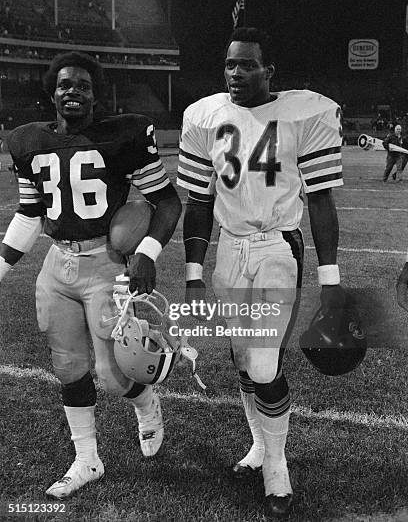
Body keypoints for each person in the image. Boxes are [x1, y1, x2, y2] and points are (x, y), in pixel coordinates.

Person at [177, 27, 345, 519]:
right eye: (230, 64)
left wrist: (331, 283)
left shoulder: (303, 112)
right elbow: (199, 201)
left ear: (269, 70)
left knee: (265, 365)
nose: (235, 73)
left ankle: (277, 467)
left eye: (247, 64)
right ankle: (257, 446)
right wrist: (193, 272)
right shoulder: (205, 116)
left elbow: (321, 200)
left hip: (276, 247)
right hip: (230, 249)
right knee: (242, 359)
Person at [0, 51, 181, 498]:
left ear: (96, 94)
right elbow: (29, 215)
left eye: (82, 85)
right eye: (65, 85)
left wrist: (148, 253)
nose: (73, 92)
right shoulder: (28, 141)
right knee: (68, 368)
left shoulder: (123, 136)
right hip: (56, 266)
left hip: (106, 265)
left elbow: (168, 201)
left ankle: (145, 404)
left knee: (115, 373)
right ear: (52, 92)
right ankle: (87, 460)